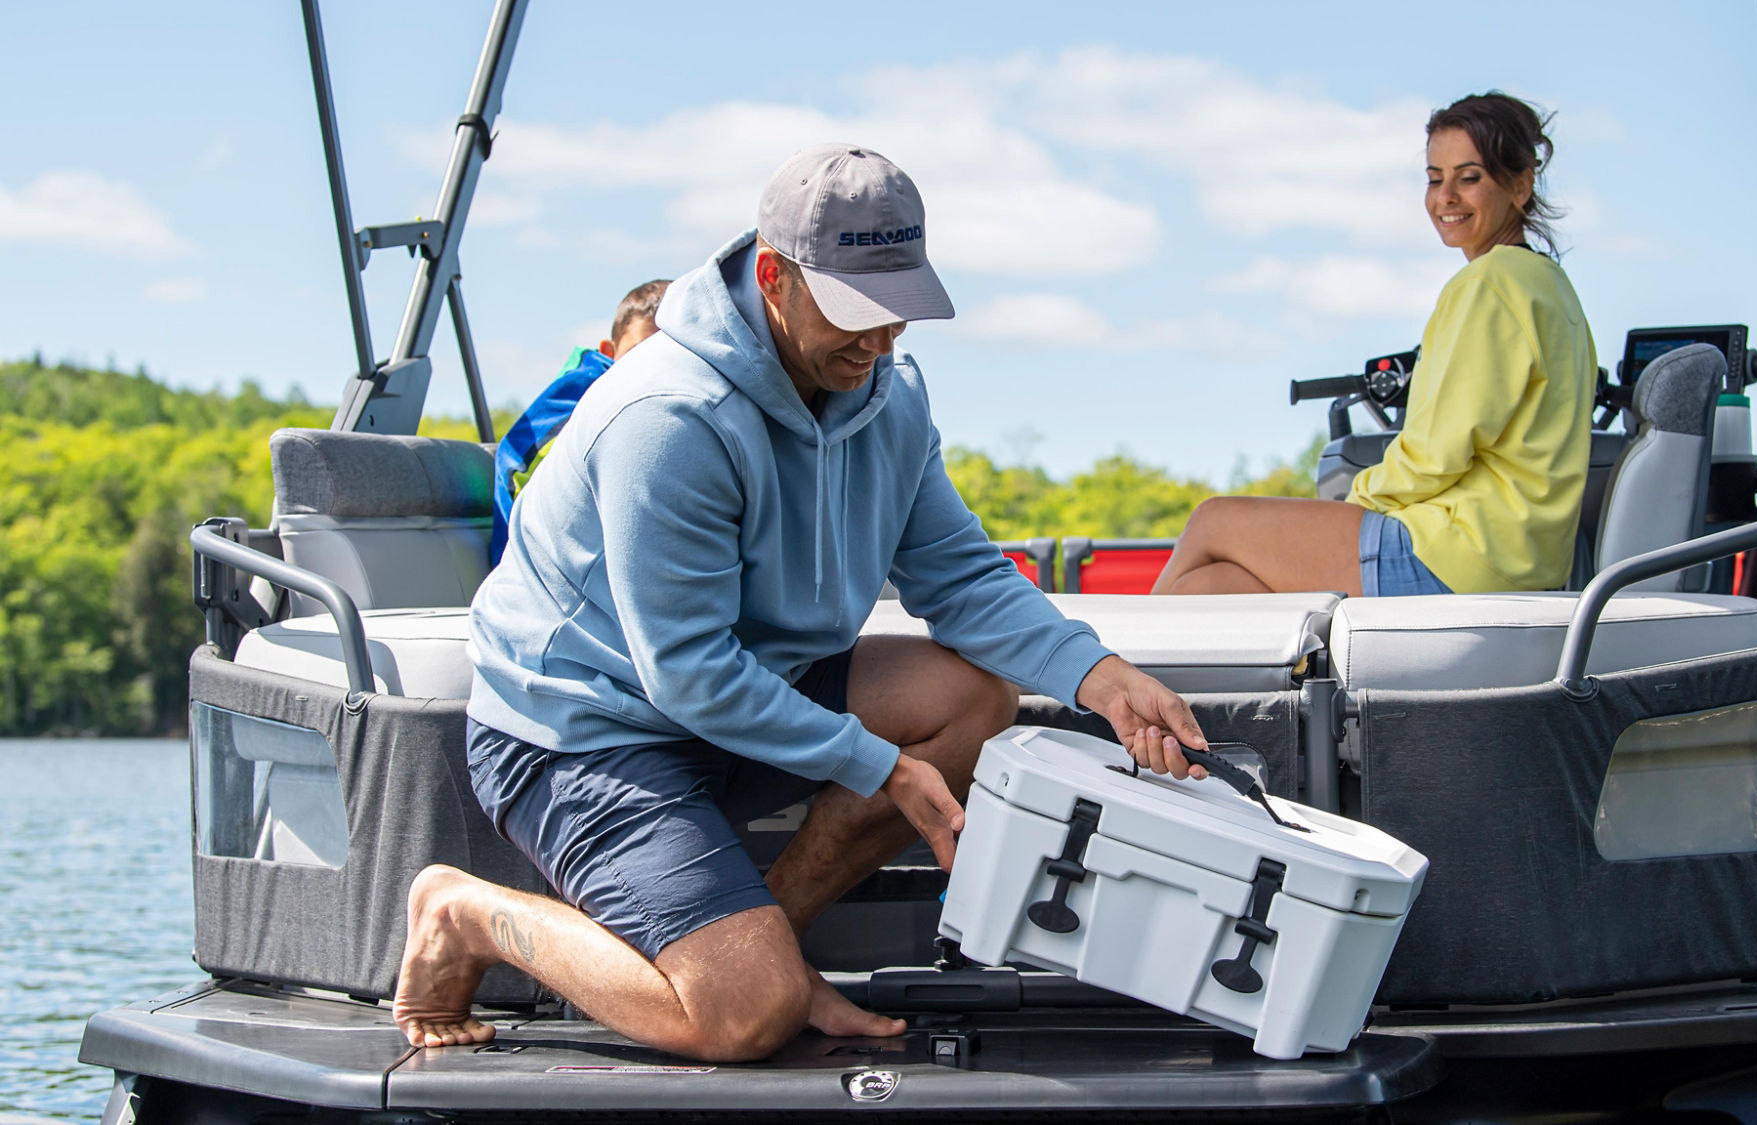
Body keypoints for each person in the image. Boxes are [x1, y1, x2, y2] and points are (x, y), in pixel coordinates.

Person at [393, 144, 1209, 1060]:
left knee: (972, 699)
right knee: (743, 1018)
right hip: (584, 726)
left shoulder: (887, 397)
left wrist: (1098, 674)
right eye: (854, 313)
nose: (879, 342)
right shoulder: (671, 416)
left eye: (898, 312)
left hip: (740, 695)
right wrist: (876, 764)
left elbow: (961, 574)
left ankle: (763, 937)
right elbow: (691, 674)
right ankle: (468, 915)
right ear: (774, 276)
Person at [1151, 92, 1596, 597]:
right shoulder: (1551, 286)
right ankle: (1142, 671)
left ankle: (1111, 670)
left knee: (1214, 521)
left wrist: (1351, 504)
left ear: (1520, 184)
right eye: (1434, 178)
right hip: (1522, 558)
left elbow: (1436, 454)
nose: (1445, 196)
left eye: (1468, 178)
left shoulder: (1491, 283)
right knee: (1214, 585)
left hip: (1462, 553)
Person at [489, 279, 671, 565]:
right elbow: (513, 467)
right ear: (608, 352)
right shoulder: (579, 393)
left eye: (666, 355)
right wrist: (507, 571)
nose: (648, 368)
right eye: (636, 353)